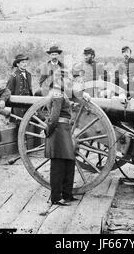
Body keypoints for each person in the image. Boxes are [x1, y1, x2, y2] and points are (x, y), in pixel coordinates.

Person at [44, 69, 90, 206]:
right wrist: (48, 131)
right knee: (58, 166)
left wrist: (84, 94)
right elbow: (54, 117)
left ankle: (67, 194)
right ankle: (56, 197)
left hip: (64, 132)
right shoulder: (57, 94)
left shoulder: (63, 92)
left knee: (69, 164)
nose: (69, 81)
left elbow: (74, 95)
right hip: (58, 132)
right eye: (67, 79)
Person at [6, 54, 33, 119]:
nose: (25, 64)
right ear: (17, 64)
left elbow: (30, 89)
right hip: (18, 105)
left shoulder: (29, 74)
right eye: (23, 62)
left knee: (35, 120)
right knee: (19, 123)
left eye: (26, 62)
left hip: (28, 102)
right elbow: (8, 91)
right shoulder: (13, 76)